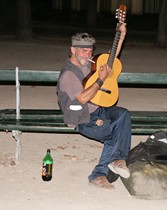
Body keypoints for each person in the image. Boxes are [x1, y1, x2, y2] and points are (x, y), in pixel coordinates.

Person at [57, 23, 131, 189]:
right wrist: (101, 79)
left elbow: (111, 58)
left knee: (123, 114)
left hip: (98, 108)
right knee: (113, 133)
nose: (88, 54)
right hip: (81, 117)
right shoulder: (69, 74)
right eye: (83, 51)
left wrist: (121, 35)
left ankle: (119, 160)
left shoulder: (87, 64)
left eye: (90, 51)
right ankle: (98, 175)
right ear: (73, 50)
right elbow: (83, 98)